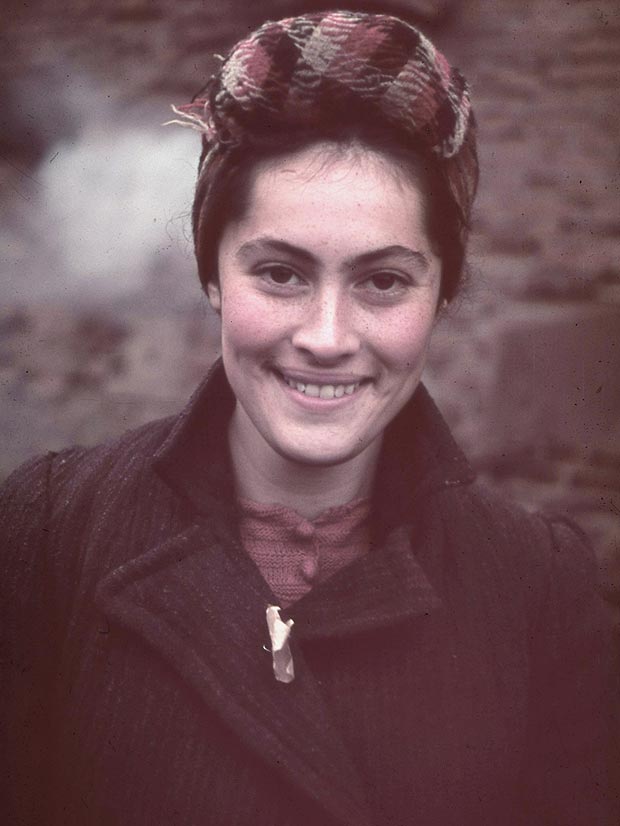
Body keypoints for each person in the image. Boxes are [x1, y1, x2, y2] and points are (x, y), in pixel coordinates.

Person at [1, 10, 617, 826]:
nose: (327, 338)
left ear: (442, 295)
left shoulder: (540, 591)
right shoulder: (48, 535)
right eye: (281, 274)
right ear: (213, 275)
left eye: (383, 281)